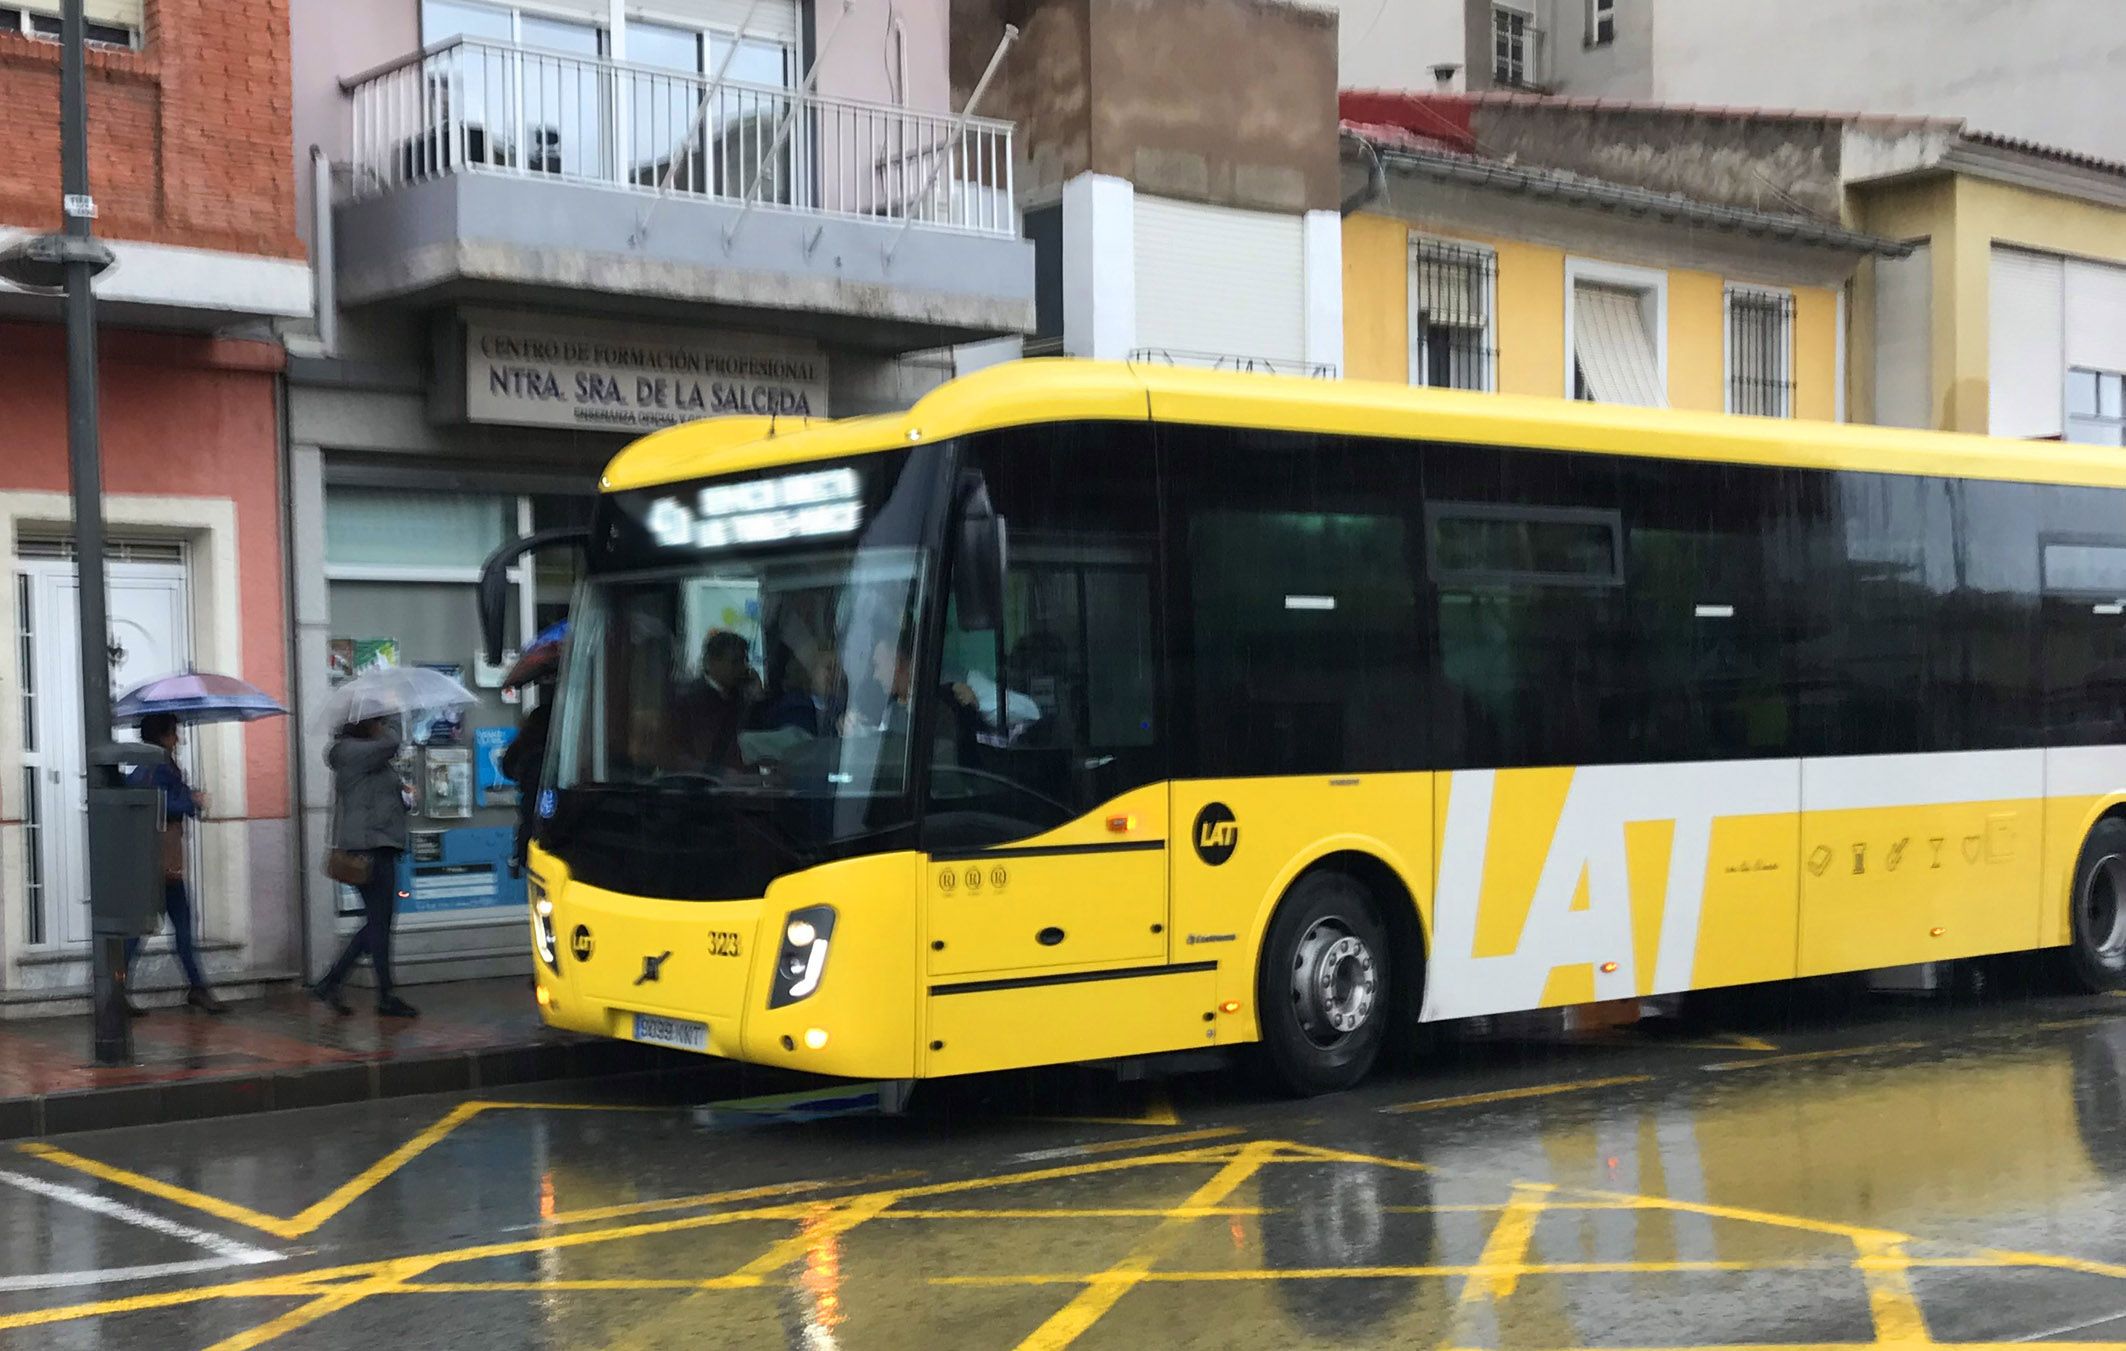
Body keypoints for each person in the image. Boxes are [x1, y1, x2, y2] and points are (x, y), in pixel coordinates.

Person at [314, 716, 418, 1018]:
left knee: (378, 922)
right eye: (379, 721)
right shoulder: (350, 752)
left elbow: (378, 794)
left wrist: (405, 797)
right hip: (369, 849)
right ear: (366, 725)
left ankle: (336, 984)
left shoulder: (367, 757)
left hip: (379, 843)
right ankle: (375, 993)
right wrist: (396, 717)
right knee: (379, 923)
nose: (383, 726)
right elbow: (392, 743)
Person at [122, 713, 224, 1014]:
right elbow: (159, 803)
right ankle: (196, 989)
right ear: (164, 736)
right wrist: (192, 802)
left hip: (153, 861)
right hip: (161, 863)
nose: (178, 739)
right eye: (174, 733)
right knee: (166, 929)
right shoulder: (157, 767)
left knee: (160, 928)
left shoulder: (149, 767)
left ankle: (197, 987)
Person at [678, 630, 759, 770]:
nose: (742, 668)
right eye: (735, 662)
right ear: (712, 662)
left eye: (744, 661)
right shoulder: (689, 700)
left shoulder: (742, 697)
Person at [501, 696, 551, 874]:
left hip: (528, 821)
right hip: (546, 828)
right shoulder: (548, 756)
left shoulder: (523, 747)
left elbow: (507, 768)